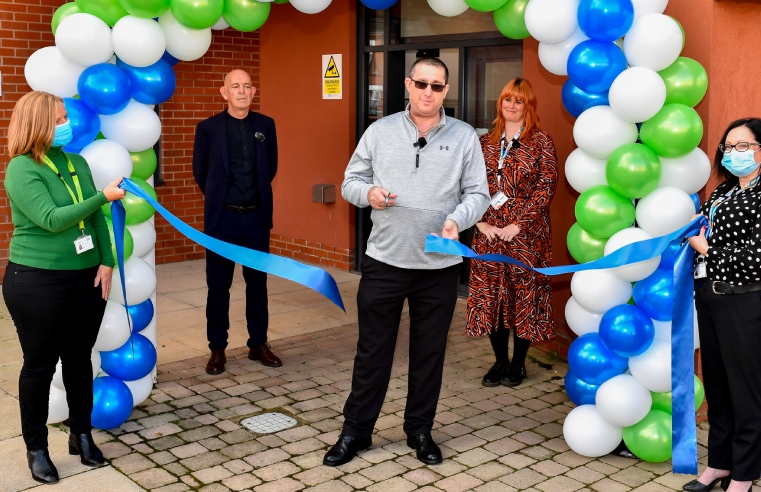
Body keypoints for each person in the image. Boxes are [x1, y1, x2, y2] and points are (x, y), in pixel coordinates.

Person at [325, 57, 489, 467]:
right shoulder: (379, 132)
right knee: (372, 353)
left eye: (437, 86)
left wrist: (458, 219)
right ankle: (356, 432)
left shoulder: (465, 136)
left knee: (429, 353)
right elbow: (350, 182)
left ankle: (419, 430)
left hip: (438, 265)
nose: (428, 93)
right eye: (422, 84)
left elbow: (478, 194)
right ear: (408, 85)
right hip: (385, 262)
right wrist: (370, 195)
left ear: (445, 91)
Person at [3, 91, 127, 484]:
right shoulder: (22, 169)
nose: (65, 125)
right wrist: (101, 196)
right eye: (57, 120)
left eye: (64, 117)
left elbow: (96, 218)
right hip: (37, 280)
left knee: (78, 360)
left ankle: (81, 434)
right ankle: (37, 449)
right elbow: (54, 219)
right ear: (37, 124)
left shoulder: (75, 162)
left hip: (85, 277)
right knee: (39, 366)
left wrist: (107, 260)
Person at [684, 118, 761, 492]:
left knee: (745, 389)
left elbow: (755, 259)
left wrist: (707, 249)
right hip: (709, 297)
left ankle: (745, 473)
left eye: (743, 146)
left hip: (745, 301)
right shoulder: (722, 193)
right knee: (718, 385)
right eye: (728, 147)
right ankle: (720, 464)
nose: (734, 154)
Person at [466, 78, 558, 388]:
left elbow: (546, 189)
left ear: (528, 105)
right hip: (489, 234)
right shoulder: (484, 143)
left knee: (523, 299)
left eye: (519, 101)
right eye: (508, 99)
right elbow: (468, 186)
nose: (512, 105)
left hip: (526, 236)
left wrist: (518, 225)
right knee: (492, 298)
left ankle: (518, 364)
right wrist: (480, 223)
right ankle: (500, 362)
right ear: (500, 103)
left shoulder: (541, 142)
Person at [192, 69, 280, 375]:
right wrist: (221, 199)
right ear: (224, 92)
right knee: (218, 287)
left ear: (254, 92)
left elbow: (270, 167)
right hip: (222, 219)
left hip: (255, 218)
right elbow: (200, 172)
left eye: (246, 86)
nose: (241, 91)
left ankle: (258, 344)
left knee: (257, 284)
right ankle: (217, 349)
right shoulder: (208, 128)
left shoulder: (266, 125)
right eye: (235, 86)